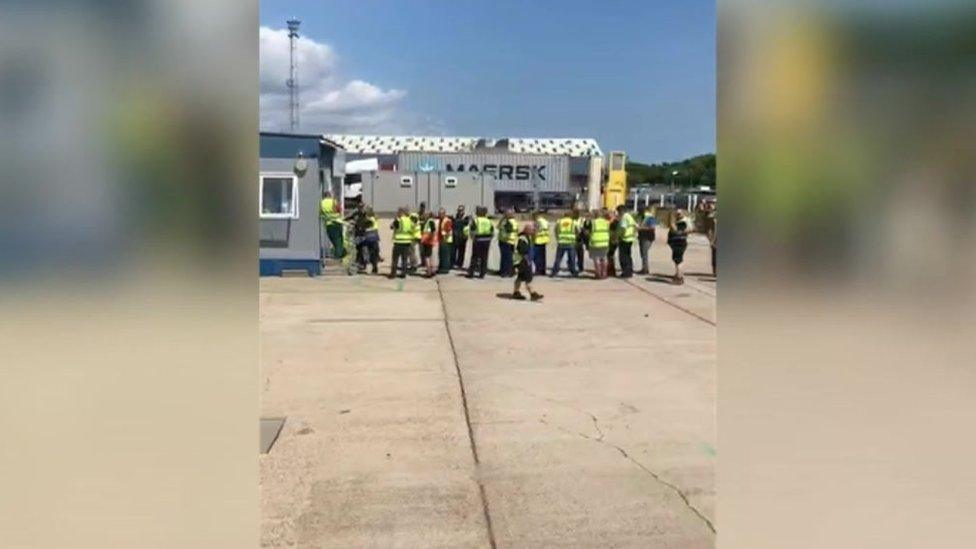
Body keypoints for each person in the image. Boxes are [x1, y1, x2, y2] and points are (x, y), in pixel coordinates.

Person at [512, 224, 544, 301]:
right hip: (522, 261)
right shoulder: (523, 239)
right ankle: (532, 294)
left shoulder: (526, 237)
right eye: (532, 230)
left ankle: (516, 292)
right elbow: (523, 252)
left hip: (519, 261)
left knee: (520, 277)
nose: (534, 231)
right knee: (528, 278)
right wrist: (528, 262)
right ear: (527, 230)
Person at [467, 206, 494, 279]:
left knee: (475, 257)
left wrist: (473, 238)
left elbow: (472, 230)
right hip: (486, 241)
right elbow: (492, 231)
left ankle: (471, 273)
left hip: (478, 240)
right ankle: (482, 274)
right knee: (484, 258)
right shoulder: (489, 221)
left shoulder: (476, 220)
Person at [550, 210, 579, 277]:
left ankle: (554, 272)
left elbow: (555, 230)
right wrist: (575, 237)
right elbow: (577, 231)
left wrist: (558, 238)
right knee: (572, 258)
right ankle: (573, 272)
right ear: (570, 215)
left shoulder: (559, 221)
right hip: (571, 242)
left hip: (561, 242)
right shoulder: (573, 222)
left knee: (558, 259)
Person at [388, 207, 414, 279]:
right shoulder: (409, 220)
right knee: (404, 259)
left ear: (400, 213)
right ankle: (404, 273)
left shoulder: (398, 220)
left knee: (395, 259)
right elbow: (412, 227)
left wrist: (395, 220)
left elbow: (391, 227)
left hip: (398, 242)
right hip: (407, 242)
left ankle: (393, 274)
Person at [668, 209, 690, 284]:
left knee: (678, 260)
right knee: (677, 259)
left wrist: (672, 222)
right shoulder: (681, 222)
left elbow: (675, 230)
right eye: (677, 214)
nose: (678, 215)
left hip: (678, 243)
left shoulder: (682, 223)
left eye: (679, 214)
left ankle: (679, 277)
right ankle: (678, 274)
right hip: (678, 242)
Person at [320, 191, 344, 259]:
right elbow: (339, 210)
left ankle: (336, 253)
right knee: (338, 240)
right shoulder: (334, 202)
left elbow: (321, 213)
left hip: (328, 224)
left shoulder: (321, 203)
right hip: (336, 223)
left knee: (333, 239)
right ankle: (338, 255)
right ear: (330, 195)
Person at [589, 209, 611, 279]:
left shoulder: (592, 222)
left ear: (595, 215)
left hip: (595, 242)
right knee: (604, 258)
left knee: (596, 258)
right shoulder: (607, 222)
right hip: (605, 242)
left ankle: (598, 274)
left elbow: (588, 232)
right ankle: (604, 274)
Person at [616, 205, 637, 278]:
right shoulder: (630, 216)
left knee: (623, 257)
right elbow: (635, 226)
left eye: (618, 212)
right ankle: (629, 271)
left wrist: (619, 236)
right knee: (628, 256)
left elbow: (623, 228)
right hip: (630, 239)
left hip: (624, 239)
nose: (618, 213)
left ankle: (625, 272)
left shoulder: (624, 217)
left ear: (621, 211)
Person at [497, 209, 518, 277]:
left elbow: (508, 230)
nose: (504, 215)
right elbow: (498, 227)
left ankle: (505, 272)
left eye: (506, 214)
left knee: (506, 258)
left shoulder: (508, 222)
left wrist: (503, 219)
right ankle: (508, 271)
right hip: (510, 241)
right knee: (508, 258)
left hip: (506, 241)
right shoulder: (511, 221)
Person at [636, 205, 657, 275]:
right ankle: (644, 267)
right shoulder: (641, 217)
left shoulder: (650, 218)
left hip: (647, 237)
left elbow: (652, 228)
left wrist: (641, 228)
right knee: (642, 253)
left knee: (645, 253)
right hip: (642, 237)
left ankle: (645, 269)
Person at [419, 211, 437, 278]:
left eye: (425, 215)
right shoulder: (428, 222)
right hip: (428, 241)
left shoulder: (430, 221)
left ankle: (429, 271)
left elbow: (433, 231)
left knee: (426, 256)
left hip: (427, 241)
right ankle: (431, 270)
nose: (424, 216)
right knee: (429, 256)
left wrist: (429, 238)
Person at [532, 210, 550, 275]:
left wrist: (533, 239)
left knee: (536, 257)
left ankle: (538, 270)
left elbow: (536, 231)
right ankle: (542, 270)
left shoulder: (537, 222)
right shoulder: (545, 221)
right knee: (543, 257)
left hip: (538, 241)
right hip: (544, 240)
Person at [437, 208, 454, 274]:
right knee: (441, 254)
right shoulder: (441, 220)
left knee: (445, 255)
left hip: (446, 240)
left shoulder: (447, 221)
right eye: (439, 214)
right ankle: (441, 267)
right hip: (441, 240)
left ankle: (445, 268)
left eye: (441, 214)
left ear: (444, 214)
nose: (439, 215)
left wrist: (444, 236)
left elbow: (449, 231)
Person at [452, 205, 470, 269]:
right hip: (455, 236)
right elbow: (453, 224)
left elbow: (466, 223)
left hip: (463, 237)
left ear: (463, 211)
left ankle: (460, 263)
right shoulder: (455, 217)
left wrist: (459, 221)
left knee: (461, 251)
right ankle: (453, 263)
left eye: (461, 210)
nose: (460, 212)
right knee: (453, 251)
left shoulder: (466, 218)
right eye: (459, 210)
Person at [574, 208, 588, 274]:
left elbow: (585, 229)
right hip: (573, 239)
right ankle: (573, 266)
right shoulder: (571, 220)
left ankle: (580, 267)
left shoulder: (582, 220)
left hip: (580, 239)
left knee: (580, 254)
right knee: (573, 254)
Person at [607, 209, 619, 277]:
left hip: (613, 241)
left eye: (610, 214)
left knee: (610, 256)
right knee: (610, 256)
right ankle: (610, 270)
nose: (609, 215)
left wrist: (614, 239)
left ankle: (611, 271)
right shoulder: (611, 222)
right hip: (611, 240)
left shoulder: (614, 222)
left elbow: (614, 232)